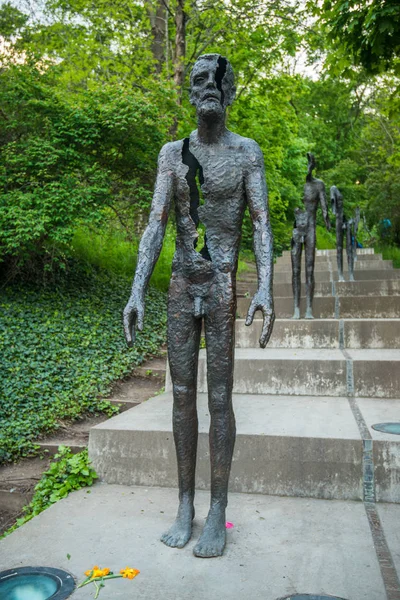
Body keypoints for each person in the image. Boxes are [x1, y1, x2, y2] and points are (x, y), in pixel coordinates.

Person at [123, 53, 274, 558]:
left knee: (220, 397)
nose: (208, 87)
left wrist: (266, 285)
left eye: (217, 80)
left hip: (224, 282)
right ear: (189, 92)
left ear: (230, 92)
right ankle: (186, 503)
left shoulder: (247, 152)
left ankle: (217, 511)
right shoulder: (173, 154)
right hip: (182, 285)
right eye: (199, 80)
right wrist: (137, 288)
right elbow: (155, 225)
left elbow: (260, 223)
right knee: (182, 394)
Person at [291, 153, 330, 319]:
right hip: (298, 229)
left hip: (311, 228)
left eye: (310, 164)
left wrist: (327, 221)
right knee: (295, 270)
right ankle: (296, 308)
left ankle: (308, 308)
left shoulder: (319, 185)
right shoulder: (296, 185)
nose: (308, 167)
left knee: (309, 268)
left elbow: (324, 206)